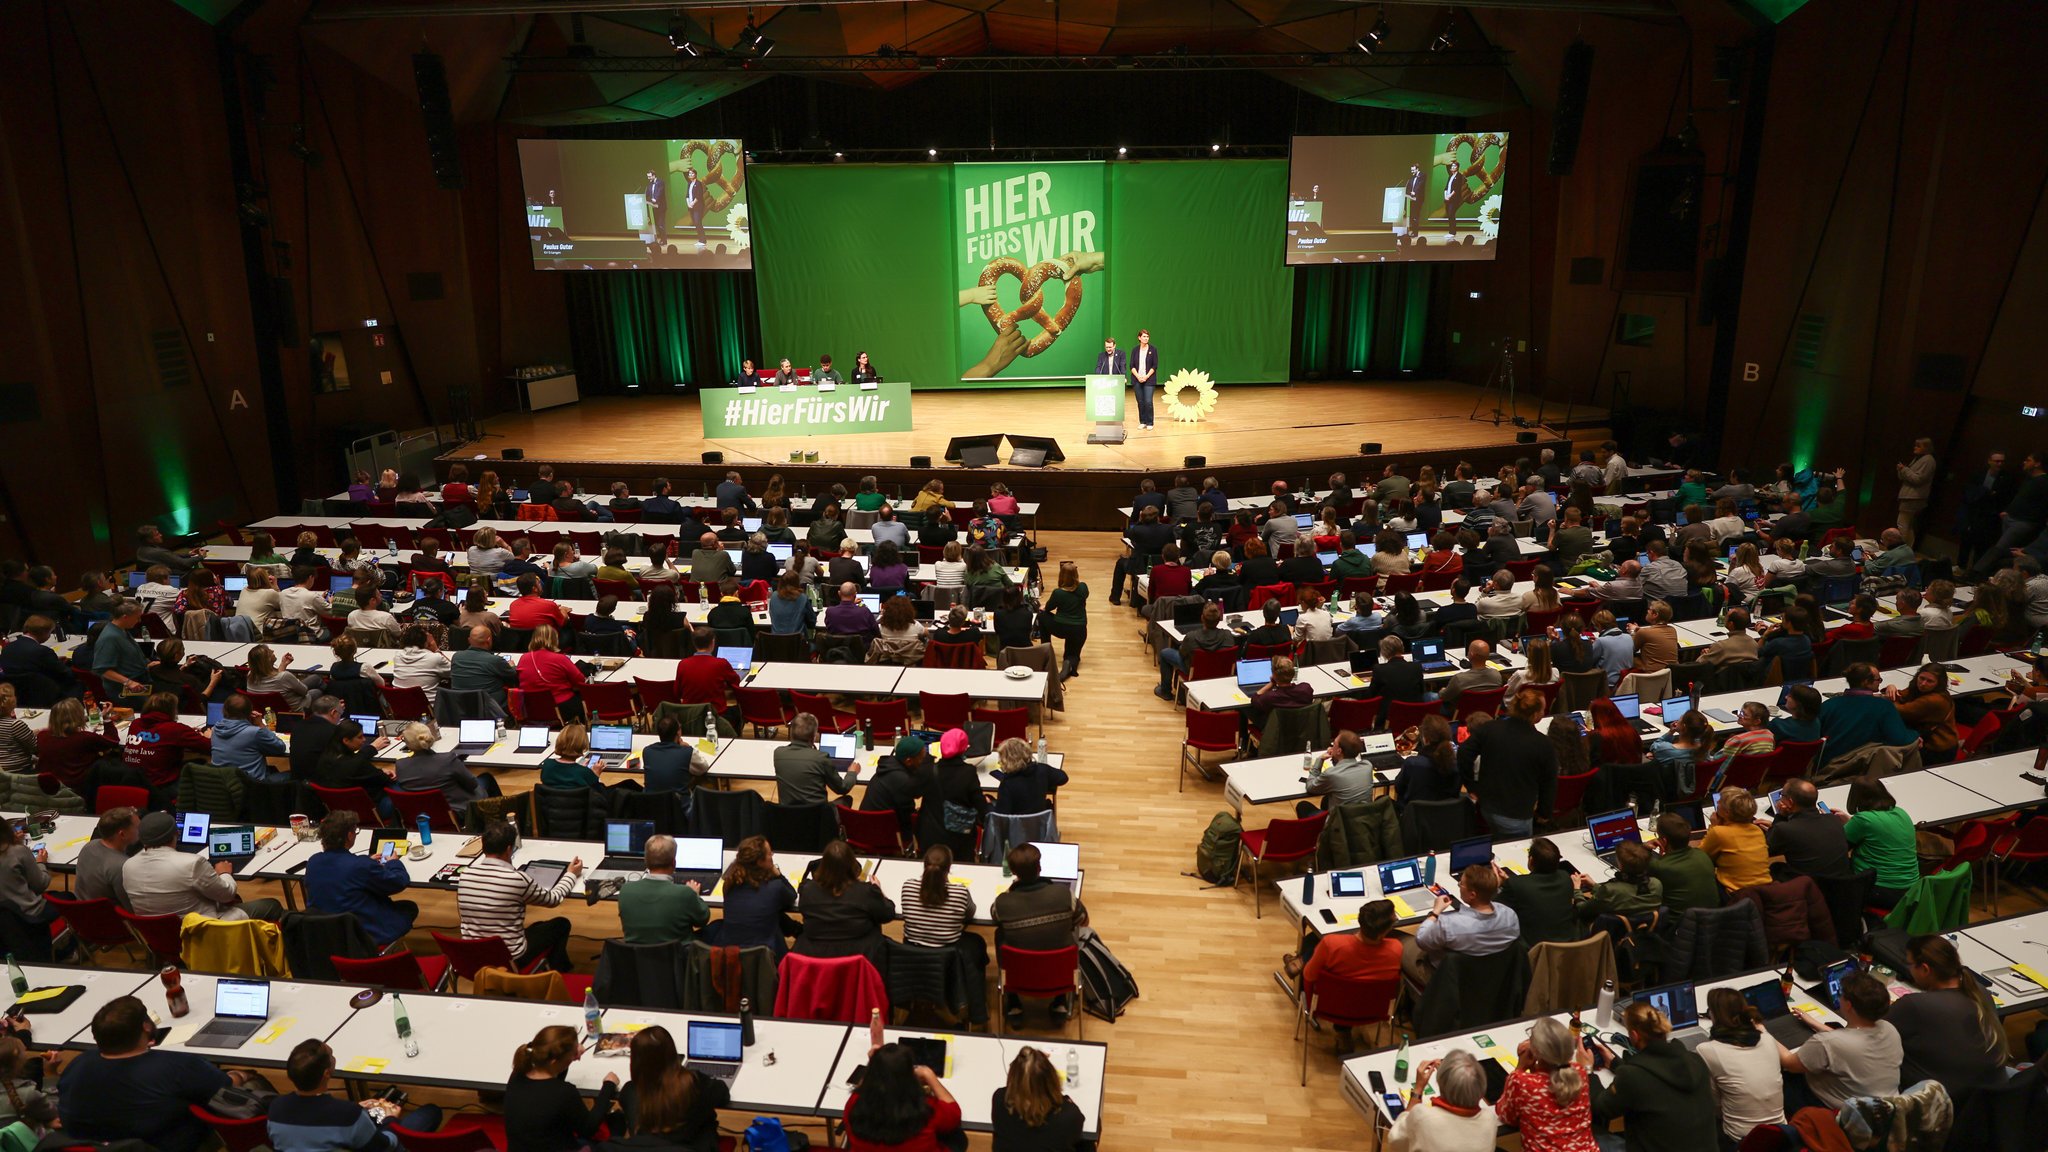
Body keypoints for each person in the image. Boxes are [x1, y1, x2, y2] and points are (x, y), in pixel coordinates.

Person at [57, 995, 234, 1152]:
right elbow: (225, 1087)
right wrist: (242, 1075)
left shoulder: (77, 1065)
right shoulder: (178, 1067)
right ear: (146, 1027)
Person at [1887, 933, 2009, 1100]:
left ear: (1924, 969)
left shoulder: (1915, 1006)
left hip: (1943, 1105)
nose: (1908, 969)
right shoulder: (1980, 991)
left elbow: (1871, 1032)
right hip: (1988, 1099)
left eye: (1910, 964)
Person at [1585, 1002, 1718, 1152]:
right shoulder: (1695, 1061)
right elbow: (1656, 1077)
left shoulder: (1632, 1077)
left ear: (1634, 1036)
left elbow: (1598, 1108)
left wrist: (1588, 1070)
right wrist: (1616, 1064)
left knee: (1590, 1132)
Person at [270, 1038, 443, 1151]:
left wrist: (356, 1107)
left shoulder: (275, 1109)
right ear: (327, 1073)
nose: (333, 1056)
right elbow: (386, 1146)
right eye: (331, 1055)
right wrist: (391, 1119)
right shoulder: (347, 1115)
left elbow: (315, 1125)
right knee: (431, 1112)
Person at [458, 818, 581, 972]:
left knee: (537, 927)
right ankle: (559, 972)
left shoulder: (465, 875)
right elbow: (553, 899)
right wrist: (571, 874)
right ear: (509, 849)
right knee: (561, 924)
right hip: (510, 959)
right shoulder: (517, 879)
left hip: (474, 956)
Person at [1774, 969, 1901, 1113]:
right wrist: (1815, 1023)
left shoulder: (1828, 1043)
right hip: (1883, 1111)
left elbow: (1789, 1063)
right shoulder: (1889, 1029)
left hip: (1834, 1112)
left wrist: (1763, 1031)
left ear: (1848, 1005)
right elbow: (1851, 1043)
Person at [124, 810, 283, 921]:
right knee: (271, 905)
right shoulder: (192, 863)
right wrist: (224, 873)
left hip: (160, 937)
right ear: (176, 835)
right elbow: (227, 894)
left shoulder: (128, 866)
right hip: (203, 931)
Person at [990, 843, 1088, 1023]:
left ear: (1013, 872)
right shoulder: (1064, 894)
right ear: (1040, 867)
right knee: (1072, 931)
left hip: (1020, 973)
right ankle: (1060, 1001)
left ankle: (1013, 1003)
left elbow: (995, 917)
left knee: (999, 934)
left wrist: (1011, 891)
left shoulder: (1003, 903)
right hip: (1060, 971)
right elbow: (1084, 920)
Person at [304, 810, 418, 948]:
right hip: (364, 933)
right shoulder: (360, 866)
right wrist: (394, 862)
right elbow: (399, 882)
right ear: (349, 835)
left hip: (329, 933)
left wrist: (366, 862)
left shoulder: (313, 862)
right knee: (409, 908)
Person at [1456, 687, 1557, 837]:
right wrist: (1544, 813)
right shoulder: (1544, 744)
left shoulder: (1490, 728)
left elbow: (1463, 752)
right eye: (1543, 709)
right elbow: (1549, 783)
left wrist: (1471, 785)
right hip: (1516, 816)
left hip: (1486, 808)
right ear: (1536, 715)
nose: (1544, 712)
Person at [1692, 987, 1785, 1147]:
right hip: (1780, 1134)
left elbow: (1714, 1103)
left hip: (1740, 1140)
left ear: (1714, 1015)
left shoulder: (1707, 1050)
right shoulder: (1767, 1039)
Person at [1404, 863, 1521, 988]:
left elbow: (1422, 940)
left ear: (1472, 895)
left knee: (1399, 942)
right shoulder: (1510, 916)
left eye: (1461, 884)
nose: (1459, 886)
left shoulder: (1449, 925)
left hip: (1448, 980)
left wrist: (1435, 912)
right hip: (1493, 980)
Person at [506, 1024, 620, 1152]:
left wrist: (569, 1056)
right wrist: (608, 1086)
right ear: (554, 1061)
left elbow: (550, 1078)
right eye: (572, 1054)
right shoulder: (564, 1092)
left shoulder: (519, 1072)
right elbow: (588, 1129)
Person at [1495, 1015, 1600, 1152]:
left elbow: (1505, 1114)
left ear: (1536, 1052)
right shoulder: (1580, 1073)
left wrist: (1520, 1068)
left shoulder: (1522, 1083)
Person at [793, 840, 895, 973]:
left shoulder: (808, 890)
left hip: (816, 960)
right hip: (859, 961)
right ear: (852, 865)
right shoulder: (866, 892)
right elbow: (888, 913)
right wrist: (879, 891)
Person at [846, 1041, 963, 1152]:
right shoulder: (925, 1108)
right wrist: (929, 1075)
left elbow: (863, 1086)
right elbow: (954, 1114)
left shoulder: (855, 1103)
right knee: (958, 1137)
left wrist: (877, 1065)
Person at [1384, 1049, 1497, 1152]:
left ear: (1439, 1083)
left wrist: (1418, 1089)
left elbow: (1395, 1140)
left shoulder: (1423, 1117)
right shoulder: (1490, 1119)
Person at [1816, 662, 1919, 768]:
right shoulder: (1883, 706)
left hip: (1827, 766)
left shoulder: (1828, 705)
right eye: (1878, 680)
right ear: (1866, 682)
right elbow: (1900, 740)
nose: (1880, 683)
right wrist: (1915, 735)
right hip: (1859, 766)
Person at [991, 1045, 1090, 1152]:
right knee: (1087, 1142)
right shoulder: (1069, 1115)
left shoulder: (1000, 1099)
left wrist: (1032, 1066)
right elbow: (1078, 1127)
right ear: (1052, 1080)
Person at [618, 834, 711, 946]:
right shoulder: (685, 893)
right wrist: (695, 894)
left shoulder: (626, 891)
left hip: (637, 958)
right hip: (678, 959)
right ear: (674, 863)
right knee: (716, 928)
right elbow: (702, 920)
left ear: (645, 861)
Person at [1841, 775, 1919, 907]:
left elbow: (1840, 847)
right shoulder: (1902, 813)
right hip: (1912, 888)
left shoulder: (1863, 820)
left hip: (1880, 889)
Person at [394, 719, 493, 818]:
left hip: (423, 816)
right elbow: (472, 785)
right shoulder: (448, 759)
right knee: (486, 778)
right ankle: (497, 821)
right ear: (430, 737)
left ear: (408, 744)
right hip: (458, 812)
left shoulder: (400, 765)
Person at [717, 836, 797, 956]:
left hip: (732, 958)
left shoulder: (729, 885)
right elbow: (792, 895)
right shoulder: (775, 887)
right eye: (770, 854)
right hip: (766, 961)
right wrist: (778, 874)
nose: (772, 856)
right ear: (760, 862)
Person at [1498, 838, 1580, 947]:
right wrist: (1512, 882)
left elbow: (1494, 908)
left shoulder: (1516, 885)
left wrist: (1499, 884)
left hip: (1535, 950)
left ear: (1531, 860)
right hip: (1568, 947)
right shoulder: (1565, 877)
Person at [1643, 812, 1719, 916]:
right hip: (1714, 920)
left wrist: (1645, 848)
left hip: (1680, 926)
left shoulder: (1659, 866)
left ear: (1663, 841)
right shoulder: (1702, 855)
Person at [775, 711, 861, 804]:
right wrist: (852, 773)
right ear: (814, 737)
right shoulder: (821, 758)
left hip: (788, 815)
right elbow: (842, 788)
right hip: (818, 816)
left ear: (791, 733)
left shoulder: (778, 753)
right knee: (847, 799)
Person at [1573, 839, 1663, 922]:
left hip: (1616, 934)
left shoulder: (1611, 890)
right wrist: (1594, 885)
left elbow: (1582, 910)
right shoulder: (1656, 884)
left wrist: (1577, 889)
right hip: (1647, 931)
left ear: (1620, 865)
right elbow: (1620, 894)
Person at [860, 735, 931, 841]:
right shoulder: (902, 781)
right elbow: (908, 818)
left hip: (865, 825)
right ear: (908, 761)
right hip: (884, 833)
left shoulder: (889, 765)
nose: (923, 761)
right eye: (921, 758)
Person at [1700, 787, 1771, 891]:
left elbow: (1700, 857)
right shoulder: (1757, 829)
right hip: (1764, 890)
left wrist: (1713, 826)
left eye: (1720, 802)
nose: (1717, 803)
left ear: (1727, 813)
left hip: (1737, 895)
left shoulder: (1719, 832)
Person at [1297, 729, 1384, 812]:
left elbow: (1310, 787)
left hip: (1340, 824)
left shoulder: (1331, 774)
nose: (1331, 746)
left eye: (1334, 744)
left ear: (1339, 751)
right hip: (1363, 820)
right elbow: (1343, 769)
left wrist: (1320, 759)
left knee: (1303, 806)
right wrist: (1336, 757)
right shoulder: (1367, 766)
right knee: (1326, 800)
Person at [1885, 662, 1957, 762]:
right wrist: (1890, 687)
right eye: (1921, 678)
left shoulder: (1935, 700)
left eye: (1929, 681)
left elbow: (1900, 710)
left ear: (1938, 683)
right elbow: (1901, 695)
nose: (1923, 684)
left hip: (1936, 749)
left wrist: (1890, 698)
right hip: (1924, 740)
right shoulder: (1919, 689)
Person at [520, 624, 589, 721]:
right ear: (554, 639)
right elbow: (581, 681)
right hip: (561, 707)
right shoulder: (560, 658)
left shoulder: (523, 658)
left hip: (532, 709)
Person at [990, 736, 1068, 815]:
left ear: (1007, 760)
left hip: (1016, 825)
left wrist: (989, 805)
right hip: (1040, 823)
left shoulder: (1007, 784)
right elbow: (1063, 778)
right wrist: (1044, 782)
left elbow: (1001, 816)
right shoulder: (1042, 770)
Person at [636, 714, 711, 794]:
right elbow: (703, 768)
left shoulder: (647, 751)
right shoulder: (687, 752)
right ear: (678, 733)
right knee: (701, 780)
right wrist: (689, 747)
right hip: (680, 804)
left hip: (651, 804)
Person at [451, 623, 520, 707]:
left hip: (462, 706)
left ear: (469, 640)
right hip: (491, 708)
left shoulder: (456, 657)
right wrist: (512, 666)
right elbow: (514, 676)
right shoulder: (495, 661)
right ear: (489, 640)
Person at [1042, 561, 1088, 680]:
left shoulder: (1058, 593)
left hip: (1060, 627)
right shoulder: (1083, 588)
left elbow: (1048, 607)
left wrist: (1044, 608)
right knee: (1072, 654)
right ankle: (1068, 666)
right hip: (1079, 629)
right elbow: (1078, 589)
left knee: (1042, 616)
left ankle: (1046, 650)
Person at [1439, 639, 1503, 710]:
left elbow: (1444, 697)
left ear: (1471, 654)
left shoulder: (1460, 679)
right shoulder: (1496, 675)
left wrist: (1442, 690)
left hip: (1461, 713)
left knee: (1430, 696)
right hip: (1487, 712)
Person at [1895, 436, 1936, 544]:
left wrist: (1904, 469)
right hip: (1910, 496)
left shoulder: (1928, 460)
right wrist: (1901, 470)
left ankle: (1899, 550)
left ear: (1926, 448)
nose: (1915, 448)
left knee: (1902, 525)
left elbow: (1918, 479)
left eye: (1918, 446)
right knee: (1907, 526)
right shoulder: (1919, 458)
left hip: (1913, 497)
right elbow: (1906, 477)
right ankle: (1906, 550)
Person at [1128, 328, 1159, 431]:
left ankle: (1150, 422)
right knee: (1140, 401)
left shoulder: (1153, 350)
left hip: (1149, 380)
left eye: (1147, 336)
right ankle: (1143, 421)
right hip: (1137, 379)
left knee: (1148, 401)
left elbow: (1155, 366)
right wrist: (1138, 376)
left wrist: (1146, 376)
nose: (1146, 338)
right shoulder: (1135, 350)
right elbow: (1131, 365)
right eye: (1144, 336)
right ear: (1139, 338)